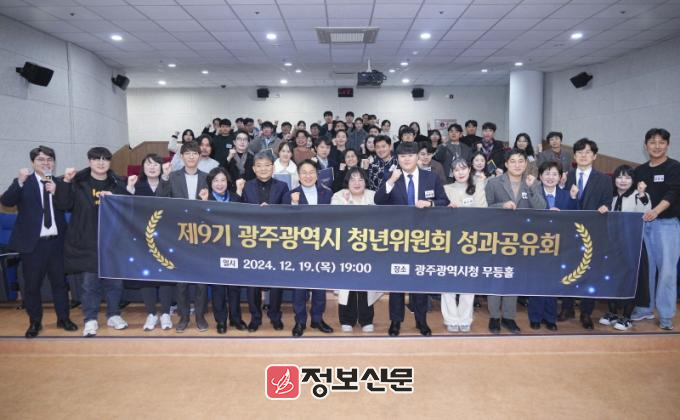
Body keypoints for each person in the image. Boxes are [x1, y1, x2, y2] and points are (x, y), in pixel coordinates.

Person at [1, 146, 77, 338]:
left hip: (57, 243)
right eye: (41, 160)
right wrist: (19, 181)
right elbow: (7, 201)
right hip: (33, 244)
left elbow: (68, 205)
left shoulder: (59, 182)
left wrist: (58, 191)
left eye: (49, 159)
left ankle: (63, 319)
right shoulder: (23, 182)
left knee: (60, 284)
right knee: (32, 286)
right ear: (33, 162)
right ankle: (35, 322)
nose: (46, 163)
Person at [375, 141, 449, 336]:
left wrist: (430, 203)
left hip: (422, 238)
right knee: (397, 282)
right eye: (402, 156)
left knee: (420, 281)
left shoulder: (430, 177)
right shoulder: (391, 176)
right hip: (398, 239)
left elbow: (444, 201)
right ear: (397, 159)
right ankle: (395, 321)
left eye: (410, 155)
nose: (406, 159)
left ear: (418, 157)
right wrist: (391, 181)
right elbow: (378, 201)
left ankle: (421, 320)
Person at [54, 147, 130, 337]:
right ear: (89, 161)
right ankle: (90, 318)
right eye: (97, 159)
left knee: (115, 283)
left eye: (105, 159)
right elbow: (63, 204)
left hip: (113, 242)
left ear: (110, 162)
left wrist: (119, 197)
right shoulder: (78, 181)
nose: (101, 163)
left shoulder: (117, 182)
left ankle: (113, 315)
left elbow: (129, 209)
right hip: (87, 240)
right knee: (90, 284)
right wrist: (65, 182)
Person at [485, 148, 546, 334]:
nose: (517, 165)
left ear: (526, 164)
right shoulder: (494, 183)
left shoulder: (533, 183)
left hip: (522, 239)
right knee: (496, 276)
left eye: (521, 161)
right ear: (506, 164)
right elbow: (484, 209)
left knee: (513, 276)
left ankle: (509, 317)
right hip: (498, 237)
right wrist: (501, 205)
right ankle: (494, 316)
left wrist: (533, 188)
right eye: (513, 161)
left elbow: (541, 208)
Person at [157, 142, 210, 333]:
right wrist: (164, 177)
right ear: (181, 157)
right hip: (178, 235)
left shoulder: (207, 177)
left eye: (194, 153)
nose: (191, 157)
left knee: (201, 281)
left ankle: (200, 316)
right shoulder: (172, 177)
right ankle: (184, 317)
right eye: (187, 153)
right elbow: (160, 199)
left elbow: (215, 206)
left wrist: (207, 201)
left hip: (202, 236)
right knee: (181, 281)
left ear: (199, 156)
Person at [559, 138, 612, 330]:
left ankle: (586, 312)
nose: (583, 155)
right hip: (569, 231)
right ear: (574, 156)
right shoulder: (565, 177)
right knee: (567, 269)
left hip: (593, 232)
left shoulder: (604, 179)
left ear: (595, 156)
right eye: (580, 152)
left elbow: (607, 202)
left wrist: (606, 207)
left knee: (591, 272)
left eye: (588, 152)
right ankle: (567, 308)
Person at [630, 128, 680, 330]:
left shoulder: (674, 167)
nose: (657, 146)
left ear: (667, 145)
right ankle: (645, 308)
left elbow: (674, 193)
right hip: (643, 226)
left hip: (667, 225)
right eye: (652, 142)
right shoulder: (640, 171)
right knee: (645, 270)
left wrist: (656, 211)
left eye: (661, 142)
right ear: (645, 146)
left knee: (667, 271)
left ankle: (666, 315)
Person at [282, 160, 334, 337]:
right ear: (298, 175)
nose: (308, 175)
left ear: (317, 175)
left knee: (319, 287)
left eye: (311, 172)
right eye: (304, 172)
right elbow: (285, 223)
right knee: (300, 287)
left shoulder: (327, 194)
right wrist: (294, 205)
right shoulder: (290, 195)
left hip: (321, 247)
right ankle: (300, 321)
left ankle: (317, 319)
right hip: (299, 249)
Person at [240, 151, 290, 332]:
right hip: (252, 241)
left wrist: (271, 211)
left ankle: (275, 315)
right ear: (254, 169)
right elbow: (240, 213)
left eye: (267, 165)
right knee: (253, 282)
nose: (263, 169)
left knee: (276, 281)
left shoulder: (282, 186)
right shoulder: (247, 187)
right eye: (259, 166)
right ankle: (255, 317)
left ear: (273, 167)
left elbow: (287, 212)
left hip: (275, 241)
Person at [598, 165, 651, 331]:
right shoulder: (610, 196)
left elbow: (646, 213)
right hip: (612, 245)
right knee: (611, 278)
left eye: (627, 178)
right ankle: (612, 312)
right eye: (620, 177)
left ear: (633, 180)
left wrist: (642, 194)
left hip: (632, 246)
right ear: (614, 179)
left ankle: (627, 317)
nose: (623, 181)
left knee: (631, 280)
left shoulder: (639, 195)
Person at [528, 161, 577, 332]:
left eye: (555, 174)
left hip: (559, 244)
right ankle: (535, 317)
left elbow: (574, 217)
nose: (550, 177)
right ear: (540, 177)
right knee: (536, 280)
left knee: (553, 281)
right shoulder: (533, 192)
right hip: (536, 243)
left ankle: (550, 317)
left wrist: (573, 200)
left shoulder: (566, 195)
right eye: (547, 173)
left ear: (560, 177)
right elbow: (527, 215)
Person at [197, 167, 248, 334]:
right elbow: (199, 223)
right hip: (214, 251)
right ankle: (221, 320)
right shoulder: (205, 198)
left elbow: (243, 220)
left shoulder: (235, 197)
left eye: (223, 180)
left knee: (234, 286)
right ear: (210, 183)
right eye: (216, 181)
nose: (219, 184)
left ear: (228, 182)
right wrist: (203, 202)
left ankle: (236, 318)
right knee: (218, 288)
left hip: (234, 249)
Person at [331, 167, 381, 333]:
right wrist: (346, 203)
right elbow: (335, 220)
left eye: (360, 179)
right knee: (347, 284)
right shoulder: (338, 196)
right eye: (353, 179)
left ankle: (366, 319)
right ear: (347, 182)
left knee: (366, 284)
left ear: (366, 182)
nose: (357, 183)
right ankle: (347, 319)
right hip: (345, 248)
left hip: (368, 248)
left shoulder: (373, 197)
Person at [442, 158, 487, 332]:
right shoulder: (446, 189)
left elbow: (482, 210)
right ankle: (451, 318)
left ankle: (465, 318)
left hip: (471, 240)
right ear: (452, 172)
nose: (460, 172)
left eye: (463, 168)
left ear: (469, 169)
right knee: (448, 279)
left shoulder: (478, 186)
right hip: (450, 241)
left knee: (468, 279)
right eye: (456, 169)